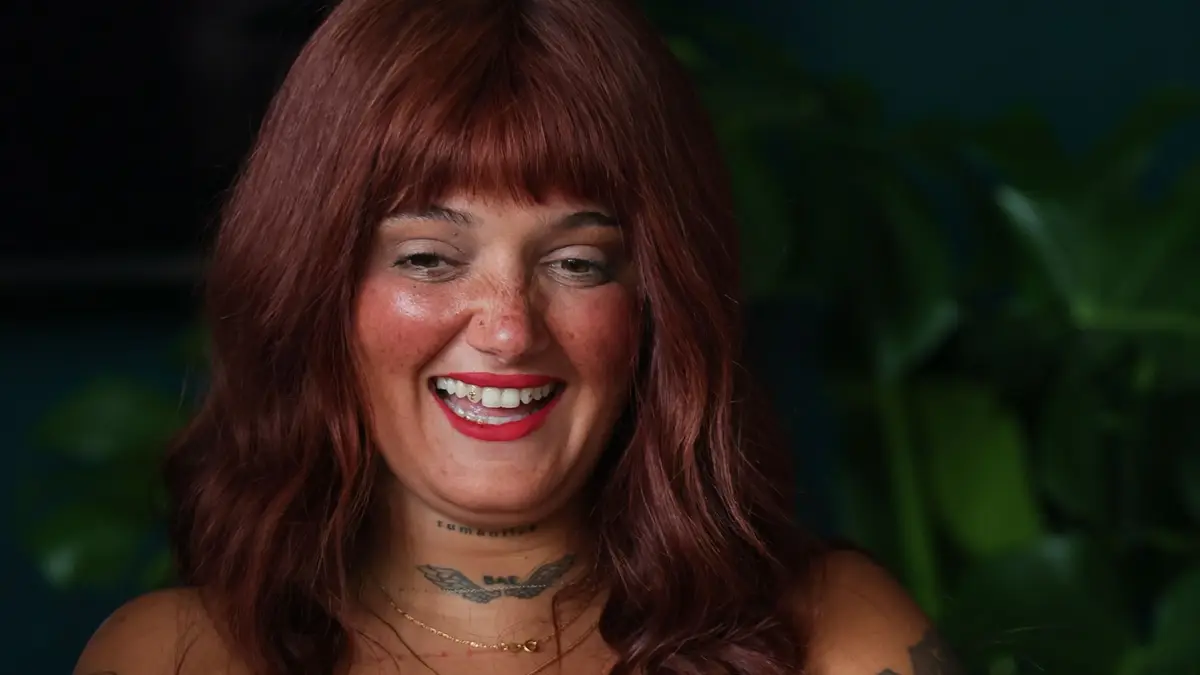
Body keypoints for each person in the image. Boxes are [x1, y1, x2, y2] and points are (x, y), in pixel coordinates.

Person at [75, 1, 962, 674]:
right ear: (316, 291)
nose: (507, 328)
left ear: (658, 306)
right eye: (428, 258)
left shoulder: (837, 637)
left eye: (576, 263)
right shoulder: (170, 656)